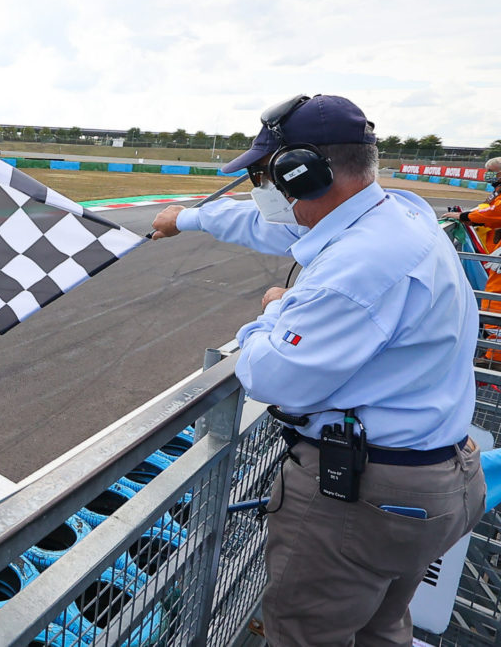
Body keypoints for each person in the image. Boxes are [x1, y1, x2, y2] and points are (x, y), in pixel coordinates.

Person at [151, 94, 485, 646]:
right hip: (432, 482)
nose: (266, 191)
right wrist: (188, 218)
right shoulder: (397, 213)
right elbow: (279, 230)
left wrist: (275, 309)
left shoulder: (359, 266)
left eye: (266, 175)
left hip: (365, 500)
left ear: (302, 174)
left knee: (303, 635)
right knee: (383, 627)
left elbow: (270, 375)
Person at [443, 158, 501, 364]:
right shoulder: (496, 193)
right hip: (495, 255)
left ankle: (496, 357)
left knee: (494, 300)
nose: (489, 176)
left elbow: (493, 213)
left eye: (492, 172)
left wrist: (464, 216)